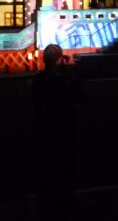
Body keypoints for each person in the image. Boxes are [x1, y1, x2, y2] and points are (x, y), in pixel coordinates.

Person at [32, 44, 81, 220]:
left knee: (46, 172)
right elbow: (79, 95)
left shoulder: (38, 80)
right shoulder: (62, 81)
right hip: (64, 130)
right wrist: (68, 73)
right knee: (65, 173)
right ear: (59, 59)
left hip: (45, 130)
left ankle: (45, 204)